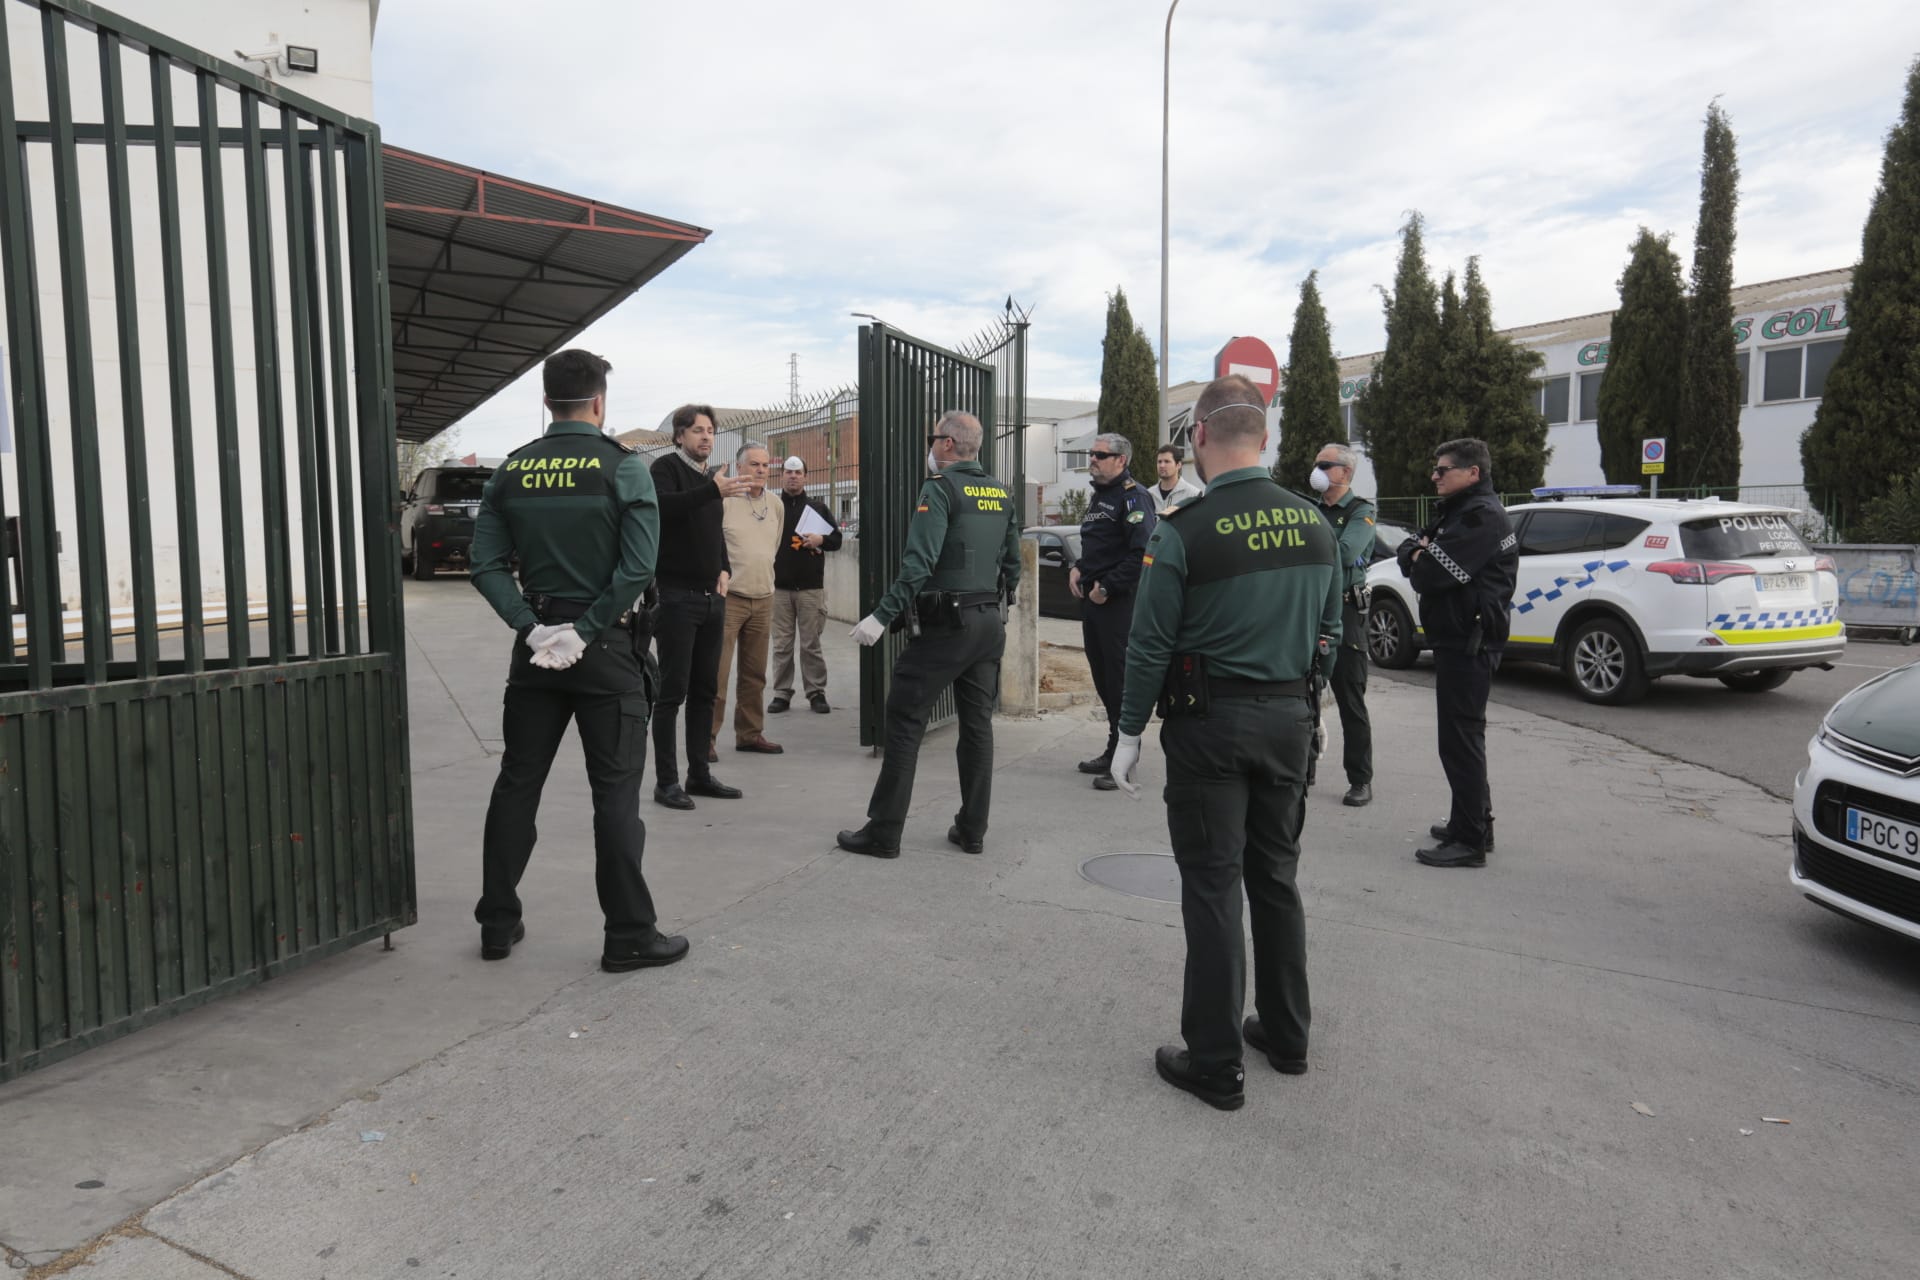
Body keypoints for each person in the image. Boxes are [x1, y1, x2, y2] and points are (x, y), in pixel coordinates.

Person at [1109, 374, 1342, 1111]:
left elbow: (1148, 645)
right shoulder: (1315, 524)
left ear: (1199, 438)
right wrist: (1313, 701)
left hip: (1210, 728)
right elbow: (1330, 636)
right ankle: (1285, 1032)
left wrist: (1127, 732)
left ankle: (1214, 1059)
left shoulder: (1184, 529)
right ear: (1266, 438)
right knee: (1276, 877)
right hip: (1289, 720)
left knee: (1212, 886)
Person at [467, 349, 688, 973]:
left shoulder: (512, 471)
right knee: (615, 796)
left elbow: (485, 565)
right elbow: (638, 567)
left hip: (535, 651)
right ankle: (629, 935)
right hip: (607, 647)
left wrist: (534, 629)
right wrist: (585, 631)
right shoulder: (624, 468)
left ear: (546, 400)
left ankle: (496, 923)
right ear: (599, 402)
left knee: (517, 784)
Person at [836, 410, 1021, 859]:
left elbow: (918, 564)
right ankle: (972, 829)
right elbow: (1012, 563)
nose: (929, 448)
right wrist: (1000, 608)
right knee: (977, 727)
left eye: (932, 438)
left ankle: (884, 832)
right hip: (987, 623)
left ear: (947, 445)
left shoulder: (939, 490)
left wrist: (881, 616)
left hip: (946, 626)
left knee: (904, 720)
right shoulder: (1000, 492)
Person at [1396, 437, 1518, 869]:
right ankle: (1474, 822)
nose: (1434, 476)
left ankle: (1469, 841)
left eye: (1442, 469)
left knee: (1461, 740)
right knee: (1464, 737)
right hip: (1457, 638)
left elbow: (1427, 572)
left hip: (1470, 642)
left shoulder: (1481, 517)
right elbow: (1408, 549)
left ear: (1472, 473)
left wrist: (1421, 556)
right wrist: (1418, 551)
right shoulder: (1459, 512)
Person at [650, 404, 752, 810]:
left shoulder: (712, 481)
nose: (705, 437)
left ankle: (699, 774)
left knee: (705, 691)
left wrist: (724, 568)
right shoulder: (665, 469)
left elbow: (714, 534)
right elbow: (662, 509)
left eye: (710, 430)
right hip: (675, 599)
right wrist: (713, 490)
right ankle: (666, 782)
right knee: (672, 693)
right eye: (696, 430)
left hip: (712, 599)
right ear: (679, 436)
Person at [1071, 432, 1156, 788]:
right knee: (1104, 680)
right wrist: (1076, 568)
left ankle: (1124, 760)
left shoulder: (1134, 498)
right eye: (1092, 453)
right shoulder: (1099, 497)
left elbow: (1143, 554)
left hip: (1118, 604)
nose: (1093, 459)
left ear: (1121, 460)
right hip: (1095, 605)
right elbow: (1096, 546)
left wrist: (1107, 587)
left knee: (1120, 682)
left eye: (1100, 455)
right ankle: (1113, 748)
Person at [1312, 441, 1377, 807]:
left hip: (1346, 613)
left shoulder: (1360, 511)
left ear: (1345, 473)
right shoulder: (1310, 508)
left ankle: (1360, 779)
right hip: (1312, 609)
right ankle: (1303, 767)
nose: (1317, 470)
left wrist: (1309, 542)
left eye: (1325, 465)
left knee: (1350, 700)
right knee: (1303, 694)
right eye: (1316, 463)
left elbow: (1348, 552)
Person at [710, 440, 785, 757]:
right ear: (739, 467)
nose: (761, 470)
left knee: (755, 673)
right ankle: (707, 737)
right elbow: (712, 545)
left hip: (763, 597)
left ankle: (750, 734)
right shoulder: (724, 502)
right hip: (730, 599)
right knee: (717, 672)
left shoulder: (776, 505)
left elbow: (774, 548)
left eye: (766, 465)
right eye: (754, 464)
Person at [769, 456, 843, 715]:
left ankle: (816, 692)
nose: (793, 477)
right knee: (782, 644)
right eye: (788, 472)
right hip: (778, 589)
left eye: (798, 472)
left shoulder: (817, 508)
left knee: (811, 643)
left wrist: (820, 538)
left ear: (806, 477)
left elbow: (837, 540)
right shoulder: (772, 506)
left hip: (811, 589)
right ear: (781, 476)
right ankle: (781, 693)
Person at [1147, 442, 1203, 513]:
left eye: (1167, 461)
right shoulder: (1149, 494)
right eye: (1159, 462)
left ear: (1178, 465)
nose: (1162, 465)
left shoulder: (1193, 495)